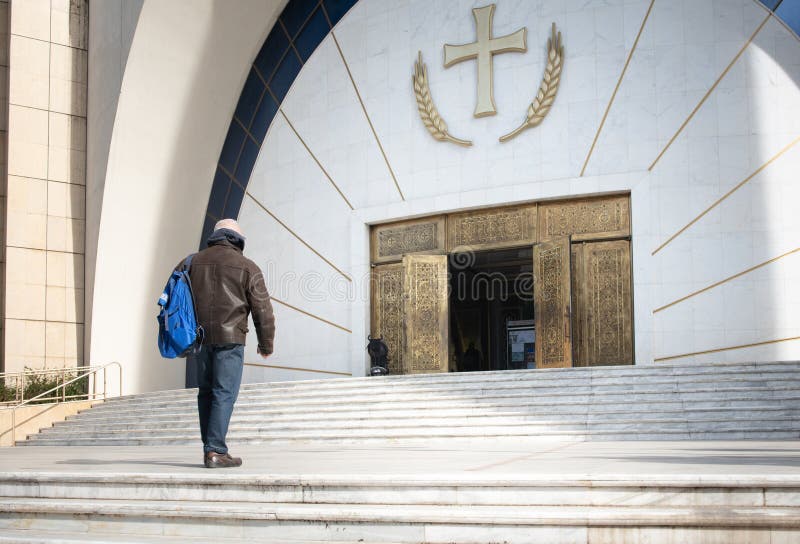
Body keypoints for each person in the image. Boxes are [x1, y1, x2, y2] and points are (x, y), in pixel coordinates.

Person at [179, 218, 275, 468]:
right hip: (230, 339)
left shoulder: (192, 262)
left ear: (215, 236)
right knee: (224, 393)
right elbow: (263, 309)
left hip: (199, 339)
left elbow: (174, 297)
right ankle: (215, 450)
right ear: (238, 240)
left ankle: (210, 447)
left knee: (207, 393)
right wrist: (266, 344)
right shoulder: (247, 266)